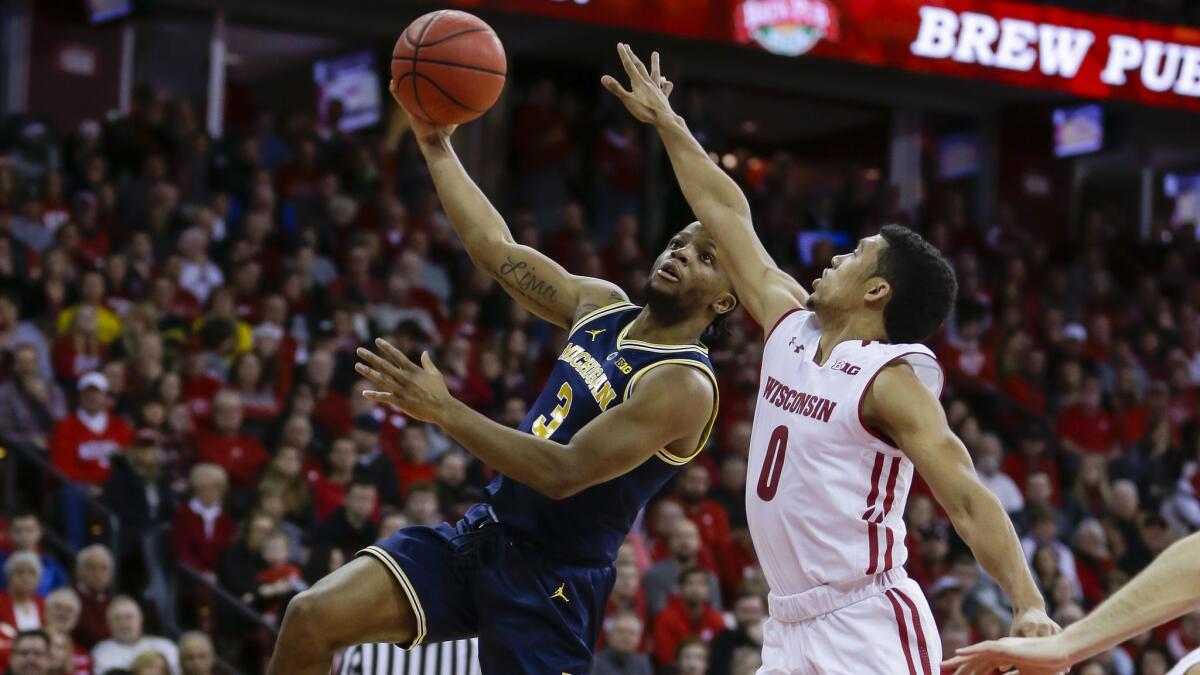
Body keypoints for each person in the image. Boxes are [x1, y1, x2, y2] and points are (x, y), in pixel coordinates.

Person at [603, 43, 1056, 672]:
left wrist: (1026, 602)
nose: (835, 257)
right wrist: (669, 124)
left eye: (855, 256)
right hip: (787, 620)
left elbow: (967, 497)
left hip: (865, 620)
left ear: (876, 292)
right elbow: (727, 213)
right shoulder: (789, 321)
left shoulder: (888, 380)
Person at [268, 79, 736, 675]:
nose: (679, 255)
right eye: (677, 242)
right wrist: (436, 144)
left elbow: (561, 473)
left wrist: (444, 411)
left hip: (553, 583)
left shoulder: (683, 385)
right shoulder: (600, 304)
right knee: (311, 616)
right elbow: (494, 249)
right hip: (482, 536)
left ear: (725, 301)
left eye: (705, 257)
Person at [652, 566, 727, 668]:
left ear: (708, 589)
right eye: (690, 583)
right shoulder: (665, 617)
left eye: (701, 584)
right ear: (680, 588)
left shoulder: (716, 619)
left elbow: (721, 653)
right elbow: (665, 656)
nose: (695, 589)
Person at [90, 596, 179, 675]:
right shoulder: (101, 651)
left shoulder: (165, 646)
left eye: (129, 617)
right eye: (117, 618)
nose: (123, 623)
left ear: (141, 620)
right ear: (108, 624)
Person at [0, 513, 68, 597]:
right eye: (17, 531)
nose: (23, 536)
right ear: (8, 533)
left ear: (40, 532)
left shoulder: (53, 567)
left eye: (29, 530)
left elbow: (60, 597)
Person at [70, 545, 113, 649]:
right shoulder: (69, 600)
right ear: (79, 570)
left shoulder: (113, 604)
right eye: (91, 567)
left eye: (103, 568)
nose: (98, 574)